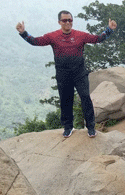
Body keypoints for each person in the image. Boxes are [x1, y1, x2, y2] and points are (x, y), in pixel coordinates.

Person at [15, 11, 117, 139]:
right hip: (63, 74)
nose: (68, 22)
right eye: (64, 20)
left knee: (85, 98)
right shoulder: (53, 36)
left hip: (79, 73)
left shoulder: (80, 35)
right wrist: (23, 33)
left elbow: (97, 39)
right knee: (65, 101)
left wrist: (109, 30)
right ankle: (68, 127)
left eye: (70, 20)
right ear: (59, 22)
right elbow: (36, 41)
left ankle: (90, 127)